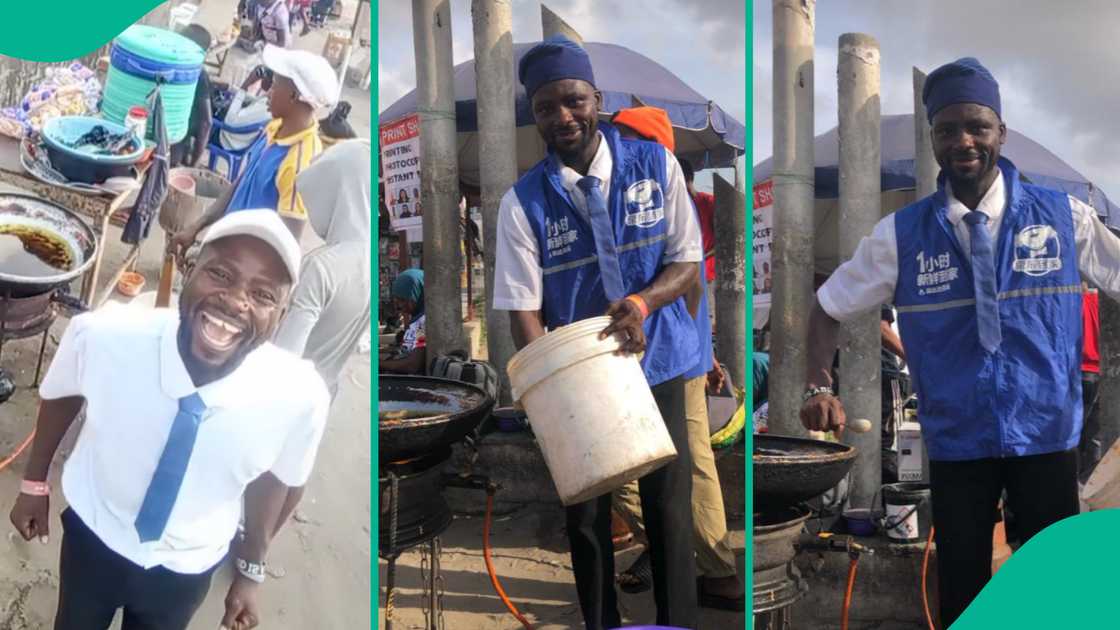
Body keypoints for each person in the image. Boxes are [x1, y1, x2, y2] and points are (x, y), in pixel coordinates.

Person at [799, 57, 1120, 626]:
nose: (964, 141)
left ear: (1002, 132)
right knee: (964, 587)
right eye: (948, 130)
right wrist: (818, 385)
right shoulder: (901, 236)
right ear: (933, 139)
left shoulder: (1063, 218)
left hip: (1045, 434)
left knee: (1055, 587)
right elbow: (825, 309)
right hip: (957, 441)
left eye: (978, 126)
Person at [9, 209, 328, 630]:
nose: (236, 301)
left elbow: (280, 479)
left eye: (264, 295)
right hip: (94, 533)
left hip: (187, 566)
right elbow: (62, 390)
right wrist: (34, 482)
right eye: (221, 273)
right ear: (188, 273)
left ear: (282, 317)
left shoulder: (298, 397)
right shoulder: (106, 335)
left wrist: (251, 567)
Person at [494, 37, 701, 629]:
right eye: (546, 108)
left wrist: (641, 302)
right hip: (581, 379)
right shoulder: (522, 203)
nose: (563, 117)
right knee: (586, 516)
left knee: (668, 507)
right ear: (534, 115)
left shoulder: (655, 165)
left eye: (574, 101)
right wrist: (552, 391)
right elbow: (523, 308)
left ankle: (676, 623)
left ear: (597, 99)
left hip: (659, 360)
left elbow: (686, 260)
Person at [608, 106, 742, 609]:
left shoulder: (661, 202)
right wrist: (707, 358)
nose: (616, 150)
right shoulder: (649, 203)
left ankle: (699, 558)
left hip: (666, 357)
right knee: (688, 466)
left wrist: (700, 356)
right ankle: (705, 562)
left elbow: (689, 291)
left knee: (635, 470)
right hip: (675, 355)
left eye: (625, 140)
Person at [170, 45, 337, 257]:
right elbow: (241, 184)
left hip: (245, 262)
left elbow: (286, 246)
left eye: (274, 85)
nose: (268, 93)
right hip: (229, 243)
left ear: (293, 96)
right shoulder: (276, 127)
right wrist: (197, 227)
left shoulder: (300, 163)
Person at [170, 24, 215, 169]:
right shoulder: (199, 73)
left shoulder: (165, 63)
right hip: (176, 146)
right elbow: (206, 123)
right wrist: (194, 162)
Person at [1078, 282, 1106, 484]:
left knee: (1076, 430)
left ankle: (1077, 481)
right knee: (1095, 432)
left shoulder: (1075, 301)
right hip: (1098, 370)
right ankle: (1090, 479)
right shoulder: (1100, 301)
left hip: (1080, 370)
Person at [381, 269, 426, 375]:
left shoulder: (423, 324)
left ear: (418, 294)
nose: (399, 305)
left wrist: (377, 363)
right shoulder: (416, 319)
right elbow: (406, 348)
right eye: (396, 300)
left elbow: (412, 365)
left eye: (403, 300)